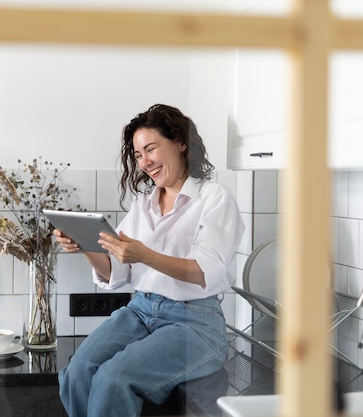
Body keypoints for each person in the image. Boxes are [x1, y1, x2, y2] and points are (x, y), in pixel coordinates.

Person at [55, 104, 245, 417]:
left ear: (181, 142)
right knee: (78, 371)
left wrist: (146, 254)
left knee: (114, 378)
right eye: (138, 154)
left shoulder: (214, 198)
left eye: (151, 149)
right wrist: (86, 245)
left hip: (194, 322)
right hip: (141, 310)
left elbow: (204, 272)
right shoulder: (143, 205)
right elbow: (115, 270)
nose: (145, 162)